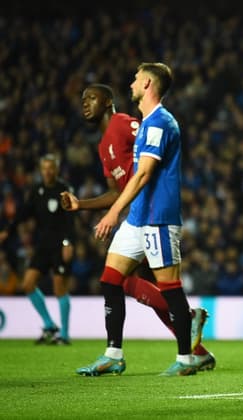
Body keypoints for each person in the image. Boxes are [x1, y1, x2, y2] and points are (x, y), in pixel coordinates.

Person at [61, 83, 215, 372]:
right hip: (134, 216)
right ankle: (119, 354)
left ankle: (186, 338)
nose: (85, 104)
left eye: (91, 98)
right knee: (114, 281)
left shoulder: (124, 124)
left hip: (154, 212)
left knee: (153, 287)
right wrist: (80, 204)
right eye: (82, 99)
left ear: (108, 101)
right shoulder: (103, 145)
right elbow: (114, 192)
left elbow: (149, 156)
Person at [0, 154, 75, 344]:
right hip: (43, 246)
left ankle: (64, 335)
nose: (48, 171)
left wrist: (67, 242)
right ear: (41, 170)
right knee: (27, 284)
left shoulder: (64, 189)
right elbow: (24, 212)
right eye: (45, 168)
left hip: (59, 245)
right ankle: (49, 324)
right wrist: (8, 230)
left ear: (56, 169)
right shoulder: (37, 190)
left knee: (60, 288)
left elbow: (70, 219)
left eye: (51, 168)